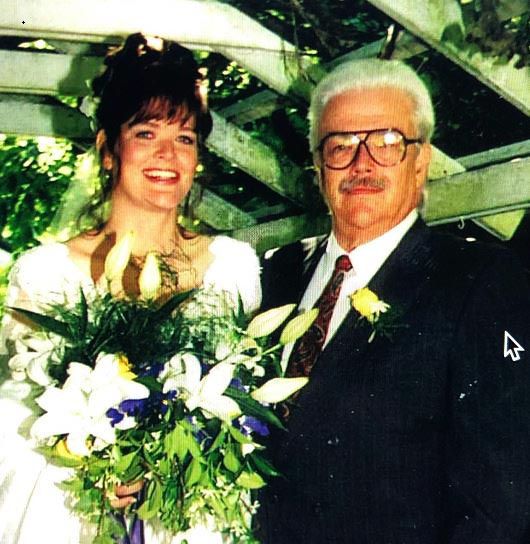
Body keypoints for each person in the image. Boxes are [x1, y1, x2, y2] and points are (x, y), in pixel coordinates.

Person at [0, 33, 260, 544]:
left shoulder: (233, 267)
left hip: (190, 518)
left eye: (185, 138)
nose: (168, 155)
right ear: (108, 149)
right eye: (146, 133)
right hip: (75, 517)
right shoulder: (46, 272)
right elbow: (16, 419)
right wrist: (89, 466)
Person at [258, 58, 530, 543]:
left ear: (421, 161)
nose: (362, 164)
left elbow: (499, 506)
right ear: (318, 167)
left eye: (386, 144)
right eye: (341, 146)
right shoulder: (274, 277)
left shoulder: (479, 282)